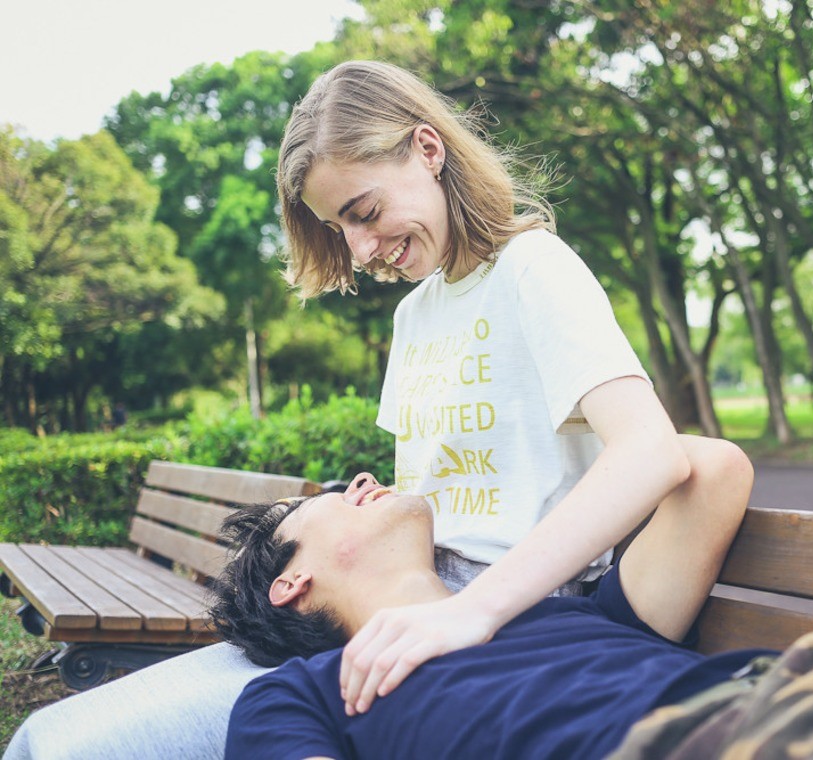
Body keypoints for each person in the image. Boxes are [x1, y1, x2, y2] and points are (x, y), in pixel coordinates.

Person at [217, 415, 813, 760]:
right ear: (291, 584)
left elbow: (708, 468)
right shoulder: (300, 698)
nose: (362, 482)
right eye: (334, 499)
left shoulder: (560, 610)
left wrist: (483, 604)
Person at [274, 58, 717, 715]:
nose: (361, 250)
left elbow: (650, 450)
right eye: (341, 230)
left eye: (364, 212)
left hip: (517, 628)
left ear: (427, 149)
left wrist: (471, 614)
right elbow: (428, 497)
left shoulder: (532, 268)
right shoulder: (413, 314)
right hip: (423, 616)